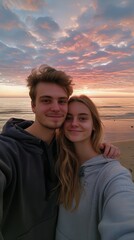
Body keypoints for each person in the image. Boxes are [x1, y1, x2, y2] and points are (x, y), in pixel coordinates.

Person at [0, 65, 120, 240]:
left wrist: (102, 148)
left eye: (62, 101)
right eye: (46, 100)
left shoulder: (65, 149)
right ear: (33, 106)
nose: (56, 108)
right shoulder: (7, 150)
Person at [56, 95, 134, 240]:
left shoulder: (113, 174)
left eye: (83, 118)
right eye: (68, 117)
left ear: (94, 125)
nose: (74, 123)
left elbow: (126, 223)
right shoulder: (60, 161)